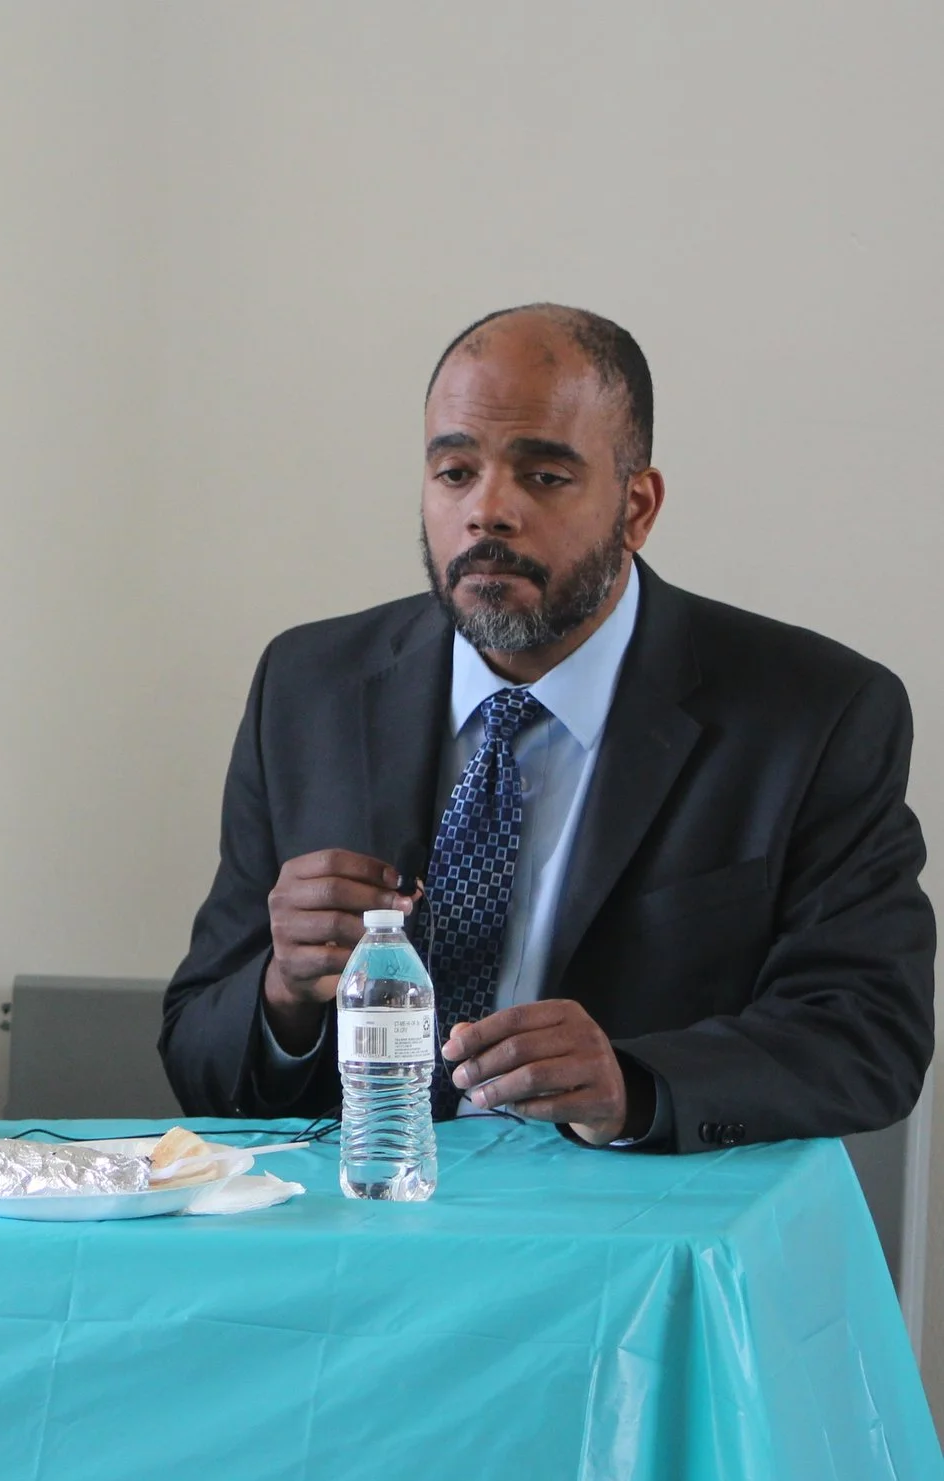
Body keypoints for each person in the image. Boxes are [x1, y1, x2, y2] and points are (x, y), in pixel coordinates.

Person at [161, 305, 932, 1149]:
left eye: (545, 477)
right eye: (455, 472)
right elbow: (198, 1055)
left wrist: (635, 1086)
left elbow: (866, 1036)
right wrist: (282, 992)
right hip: (361, 1226)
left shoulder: (811, 714)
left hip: (628, 1243)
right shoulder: (308, 688)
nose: (488, 511)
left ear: (636, 508)